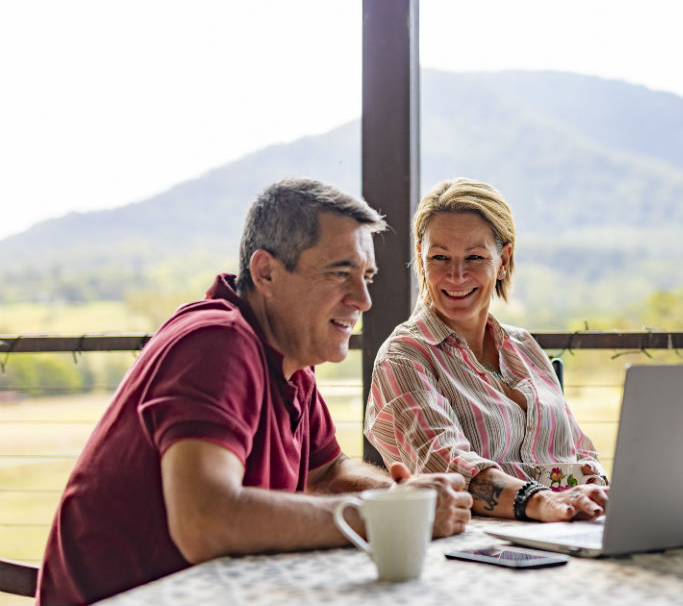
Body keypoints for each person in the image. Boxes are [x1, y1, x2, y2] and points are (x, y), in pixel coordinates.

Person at [36, 179, 472, 606]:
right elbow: (206, 521)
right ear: (266, 271)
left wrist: (409, 500)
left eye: (367, 277)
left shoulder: (290, 358)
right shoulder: (217, 342)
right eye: (340, 273)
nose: (363, 299)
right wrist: (383, 517)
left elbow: (329, 475)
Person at [365, 178, 608, 524]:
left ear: (503, 260)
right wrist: (544, 503)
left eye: (475, 257)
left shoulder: (525, 347)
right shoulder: (404, 357)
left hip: (571, 528)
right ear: (421, 259)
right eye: (440, 257)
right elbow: (448, 468)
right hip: (476, 546)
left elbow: (581, 451)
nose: (456, 274)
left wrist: (597, 492)